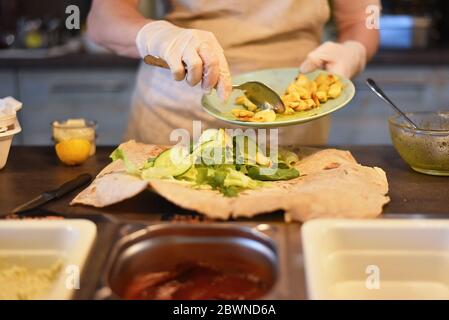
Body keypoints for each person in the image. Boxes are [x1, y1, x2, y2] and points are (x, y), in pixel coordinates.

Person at [87, 0, 380, 145]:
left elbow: (363, 17)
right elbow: (104, 18)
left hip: (293, 115)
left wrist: (354, 50)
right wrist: (157, 36)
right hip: (177, 116)